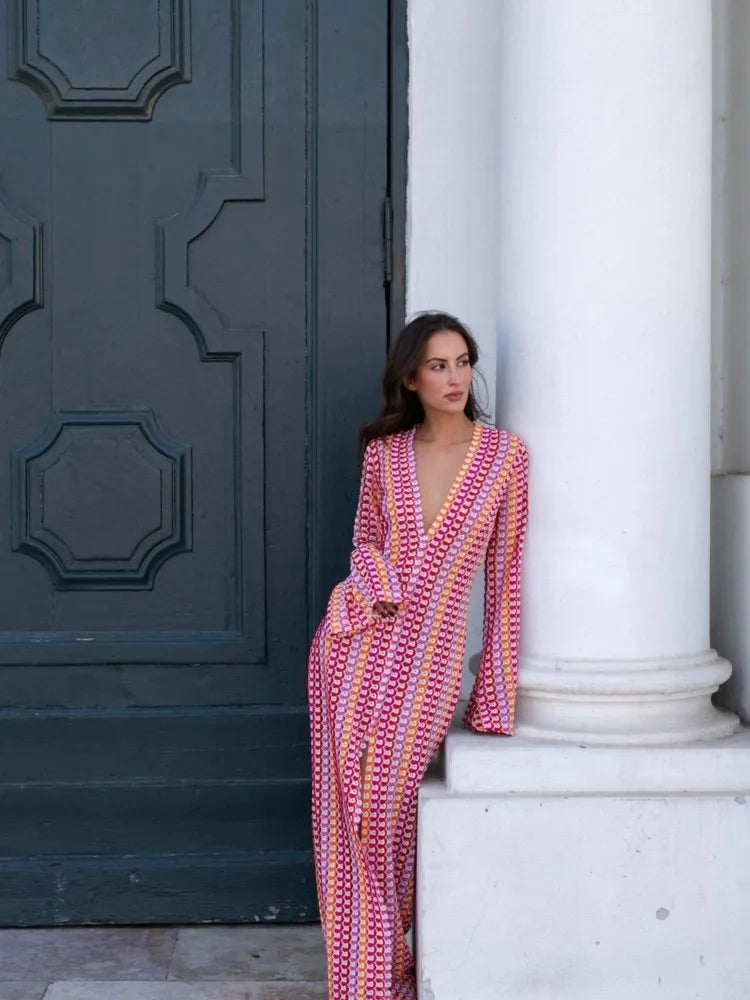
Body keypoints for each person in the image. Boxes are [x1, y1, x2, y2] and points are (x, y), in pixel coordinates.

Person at [307, 311, 529, 1000]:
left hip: (427, 666)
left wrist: (492, 694)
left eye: (463, 362)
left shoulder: (504, 459)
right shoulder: (385, 454)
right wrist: (375, 592)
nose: (456, 377)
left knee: (388, 815)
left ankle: (386, 968)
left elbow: (504, 577)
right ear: (411, 376)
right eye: (438, 365)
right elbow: (365, 544)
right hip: (354, 642)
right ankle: (363, 978)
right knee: (343, 812)